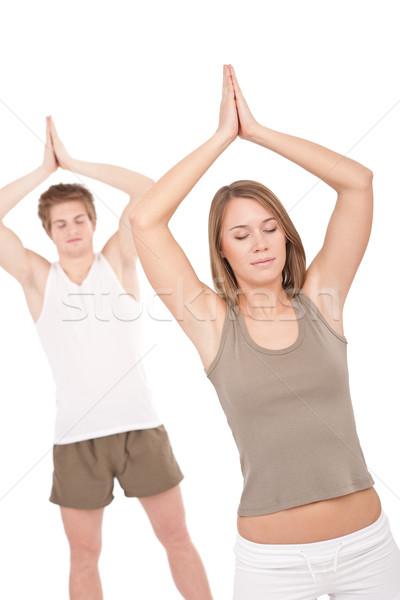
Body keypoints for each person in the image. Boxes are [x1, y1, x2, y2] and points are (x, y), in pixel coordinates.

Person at [129, 65, 400, 599]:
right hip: (272, 567)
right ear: (222, 250)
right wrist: (220, 139)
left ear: (286, 234)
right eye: (241, 233)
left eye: (271, 227)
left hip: (368, 550)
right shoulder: (211, 325)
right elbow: (144, 222)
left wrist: (259, 133)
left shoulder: (323, 300)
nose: (260, 242)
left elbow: (359, 182)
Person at [0, 116, 213, 600]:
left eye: (80, 219)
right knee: (84, 557)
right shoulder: (37, 278)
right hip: (77, 438)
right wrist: (42, 171)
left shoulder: (118, 261)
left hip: (141, 428)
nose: (72, 229)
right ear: (49, 233)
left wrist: (74, 165)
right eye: (61, 223)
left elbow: (148, 192)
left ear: (94, 223)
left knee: (177, 538)